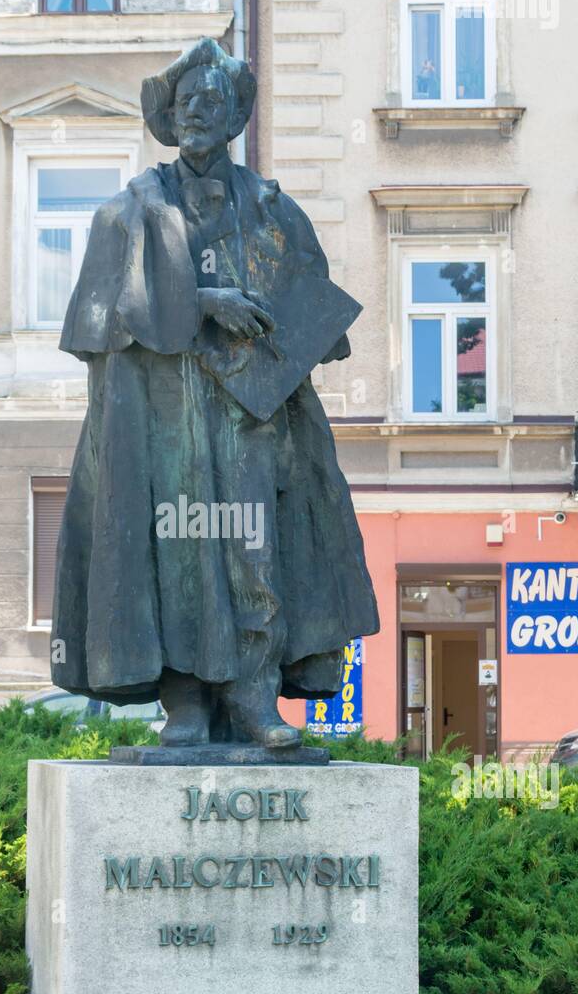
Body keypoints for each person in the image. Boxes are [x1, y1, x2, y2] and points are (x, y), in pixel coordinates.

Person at [50, 38, 378, 748]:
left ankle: (257, 701)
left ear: (234, 119)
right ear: (170, 116)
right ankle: (187, 705)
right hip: (165, 421)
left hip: (255, 422)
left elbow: (316, 310)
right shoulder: (126, 214)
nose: (199, 112)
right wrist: (201, 299)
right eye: (187, 101)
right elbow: (96, 318)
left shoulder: (271, 208)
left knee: (255, 556)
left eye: (214, 102)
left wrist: (282, 328)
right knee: (175, 559)